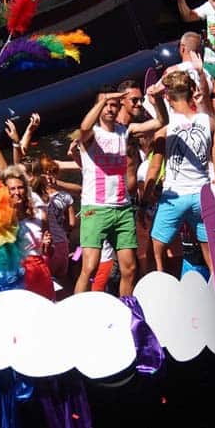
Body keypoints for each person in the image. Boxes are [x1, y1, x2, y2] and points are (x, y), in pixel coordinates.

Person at [75, 84, 167, 295]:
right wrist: (103, 99)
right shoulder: (91, 135)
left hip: (122, 209)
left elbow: (161, 122)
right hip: (95, 208)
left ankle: (126, 310)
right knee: (89, 267)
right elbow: (83, 127)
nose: (110, 109)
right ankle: (77, 313)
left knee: (130, 268)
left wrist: (157, 99)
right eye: (105, 105)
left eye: (114, 105)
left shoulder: (125, 132)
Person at [149, 70, 215, 273]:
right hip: (203, 196)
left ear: (168, 97)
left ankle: (161, 287)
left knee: (156, 249)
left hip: (175, 196)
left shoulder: (165, 129)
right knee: (210, 253)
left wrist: (146, 198)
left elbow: (155, 167)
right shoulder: (209, 122)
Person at [1, 165, 54, 300]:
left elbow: (50, 252)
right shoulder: (0, 220)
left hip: (39, 271)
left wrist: (47, 246)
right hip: (14, 273)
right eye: (12, 189)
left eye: (20, 187)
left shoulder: (40, 215)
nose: (17, 192)